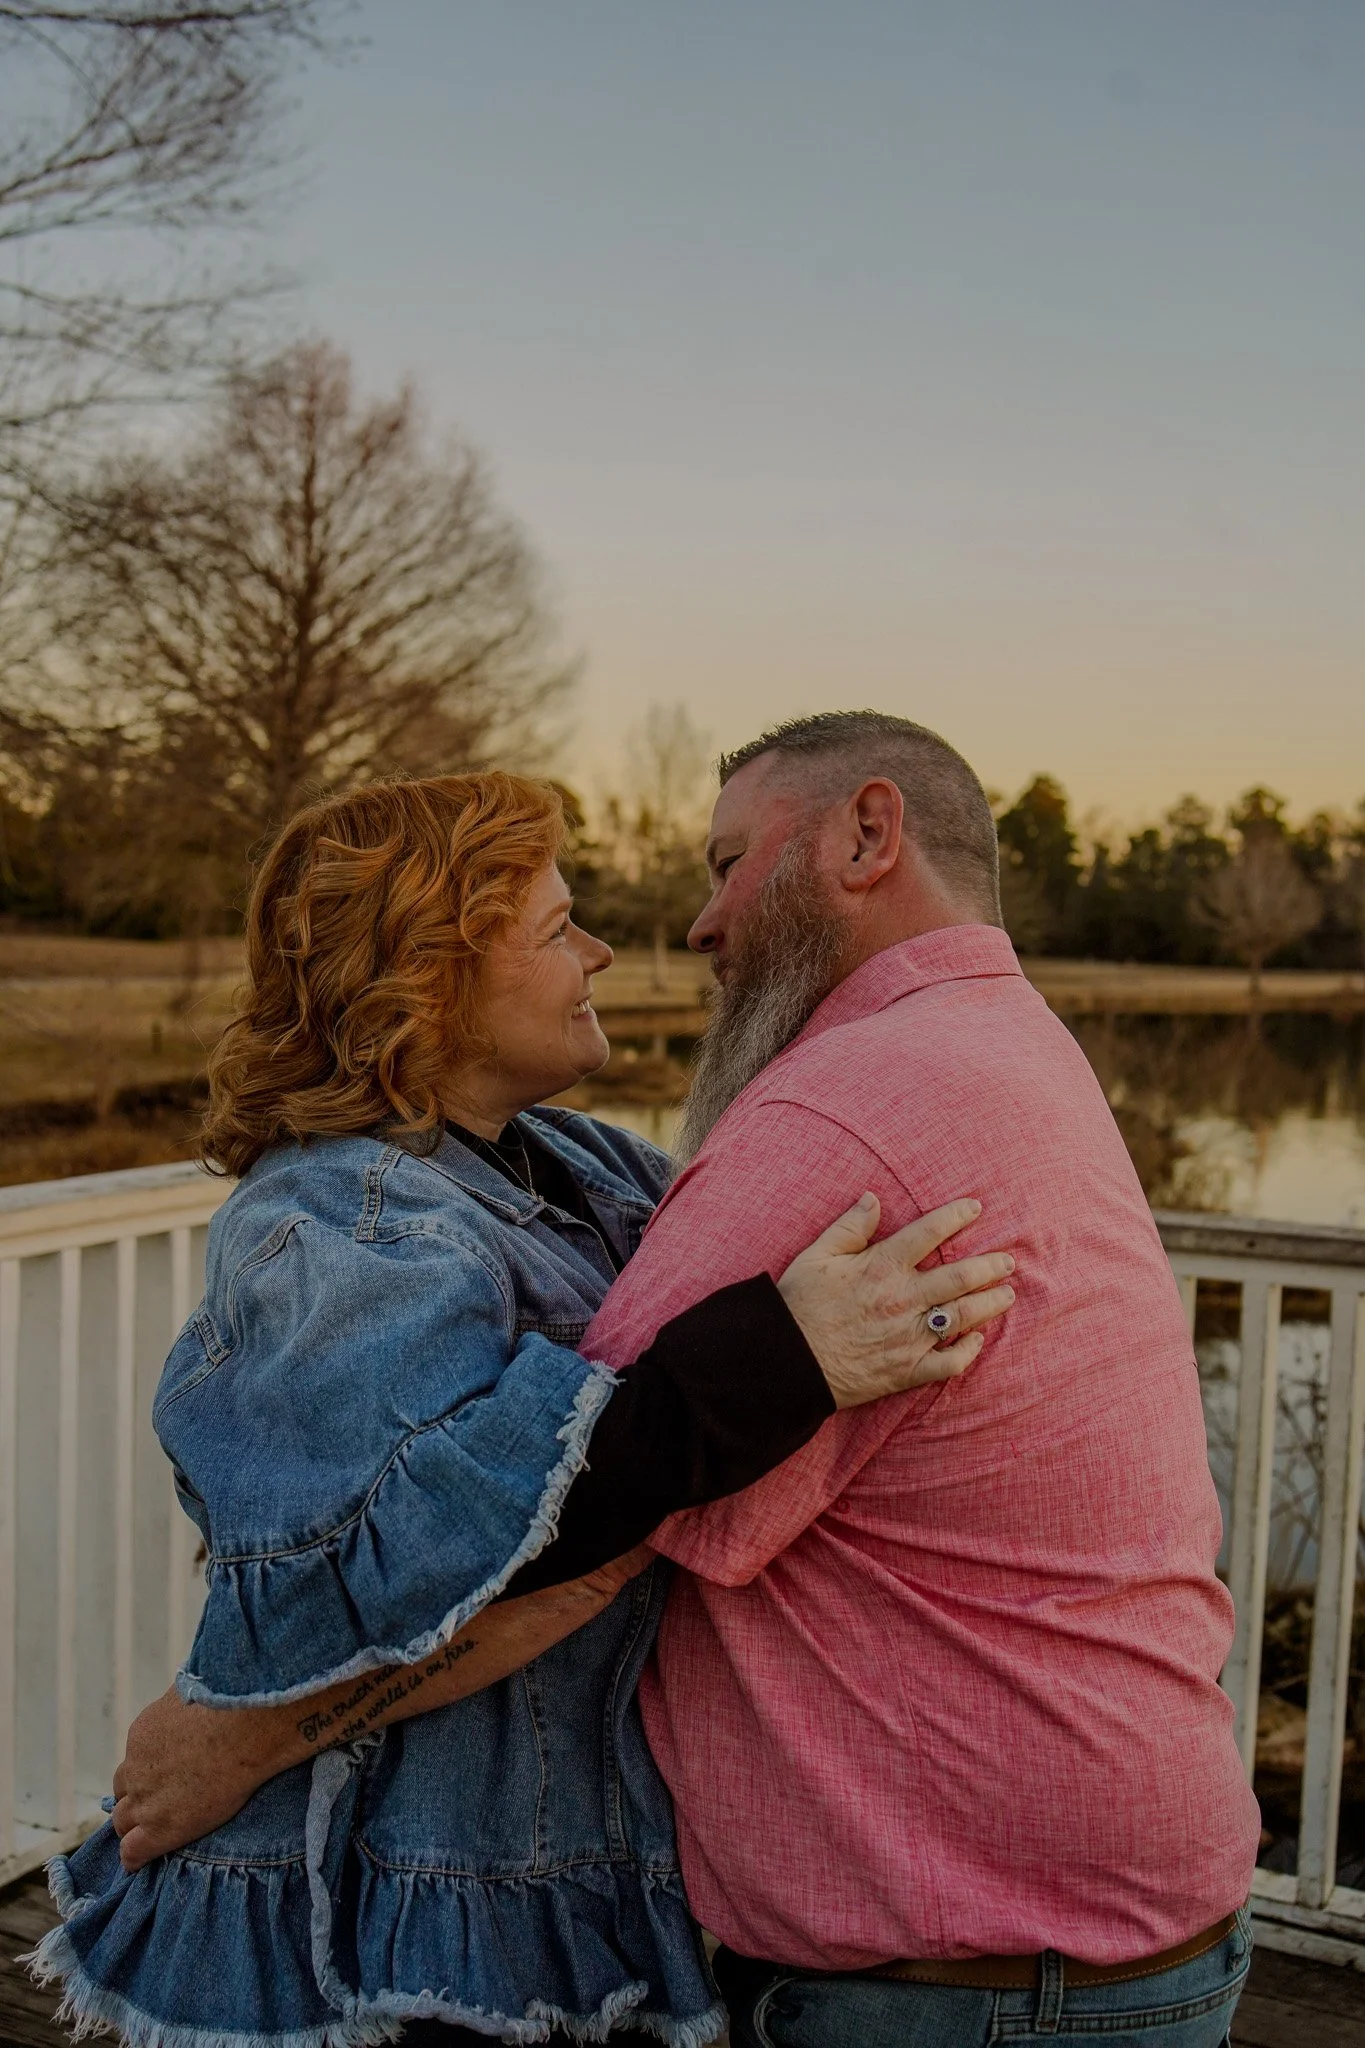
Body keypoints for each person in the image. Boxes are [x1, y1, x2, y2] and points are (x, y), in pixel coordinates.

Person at [108, 712, 1261, 2048]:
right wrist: (232, 1740)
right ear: (427, 976)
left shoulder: (599, 1159)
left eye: (724, 867)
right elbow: (434, 1549)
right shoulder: (331, 1227)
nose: (637, 942)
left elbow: (609, 1485)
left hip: (649, 1899)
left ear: (869, 836)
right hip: (398, 1892)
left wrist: (770, 1359)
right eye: (560, 928)